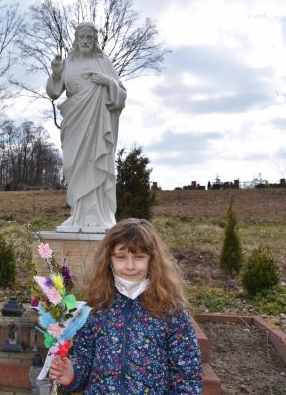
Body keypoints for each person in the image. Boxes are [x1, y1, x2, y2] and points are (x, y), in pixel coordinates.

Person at [48, 218, 202, 393]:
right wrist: (72, 374)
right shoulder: (95, 308)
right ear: (109, 260)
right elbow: (84, 360)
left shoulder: (171, 311)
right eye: (121, 257)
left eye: (139, 257)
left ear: (152, 260)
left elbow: (187, 377)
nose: (130, 266)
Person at [46, 22, 126, 233]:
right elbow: (54, 92)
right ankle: (78, 215)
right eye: (82, 37)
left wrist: (107, 81)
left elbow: (121, 94)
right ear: (76, 39)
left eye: (90, 38)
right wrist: (55, 74)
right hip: (74, 122)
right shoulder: (68, 63)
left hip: (98, 124)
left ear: (95, 40)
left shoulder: (103, 61)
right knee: (74, 164)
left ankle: (98, 215)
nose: (86, 41)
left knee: (95, 161)